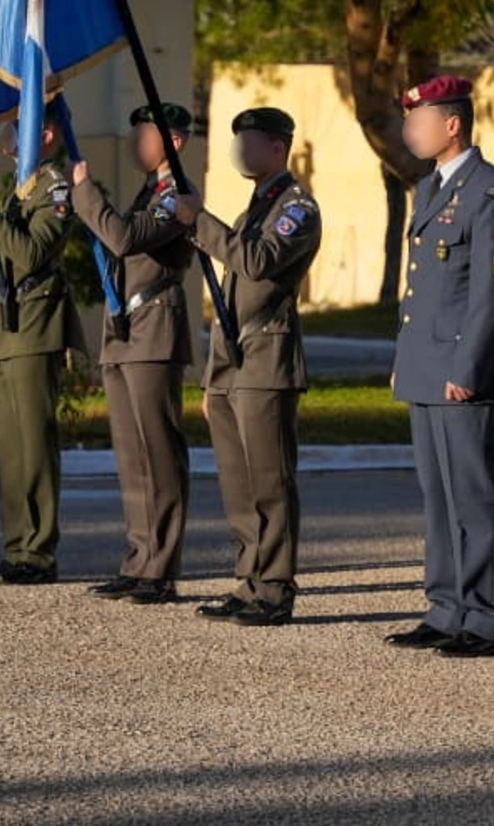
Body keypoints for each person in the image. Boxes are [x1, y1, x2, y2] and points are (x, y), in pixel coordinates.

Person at [384, 76, 494, 659]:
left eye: (419, 122)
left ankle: (486, 618)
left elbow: (493, 294)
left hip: (461, 368)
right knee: (437, 495)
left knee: (472, 494)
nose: (409, 131)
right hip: (426, 363)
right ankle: (446, 608)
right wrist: (404, 360)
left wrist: (468, 364)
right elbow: (423, 290)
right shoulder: (430, 188)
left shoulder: (490, 193)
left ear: (453, 125)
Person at [190, 107, 322, 627]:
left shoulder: (297, 208)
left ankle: (275, 587)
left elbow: (258, 262)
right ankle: (248, 580)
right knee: (238, 483)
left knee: (269, 481)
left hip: (267, 360)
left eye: (250, 142)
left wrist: (198, 221)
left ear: (278, 147)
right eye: (236, 142)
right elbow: (229, 298)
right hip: (233, 364)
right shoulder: (254, 208)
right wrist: (212, 378)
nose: (240, 152)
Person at [69, 102, 202, 605]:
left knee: (158, 453)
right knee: (131, 455)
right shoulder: (150, 191)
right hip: (126, 331)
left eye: (145, 134)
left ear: (175, 141)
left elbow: (124, 240)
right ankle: (138, 558)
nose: (135, 143)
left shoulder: (178, 195)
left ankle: (161, 567)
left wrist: (85, 191)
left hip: (154, 331)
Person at [0, 115, 77, 586]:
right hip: (2, 332)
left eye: (15, 129)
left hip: (33, 330)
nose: (6, 140)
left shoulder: (55, 187)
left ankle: (39, 552)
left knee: (34, 445)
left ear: (45, 133)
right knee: (9, 450)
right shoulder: (19, 187)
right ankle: (16, 548)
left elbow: (33, 254)